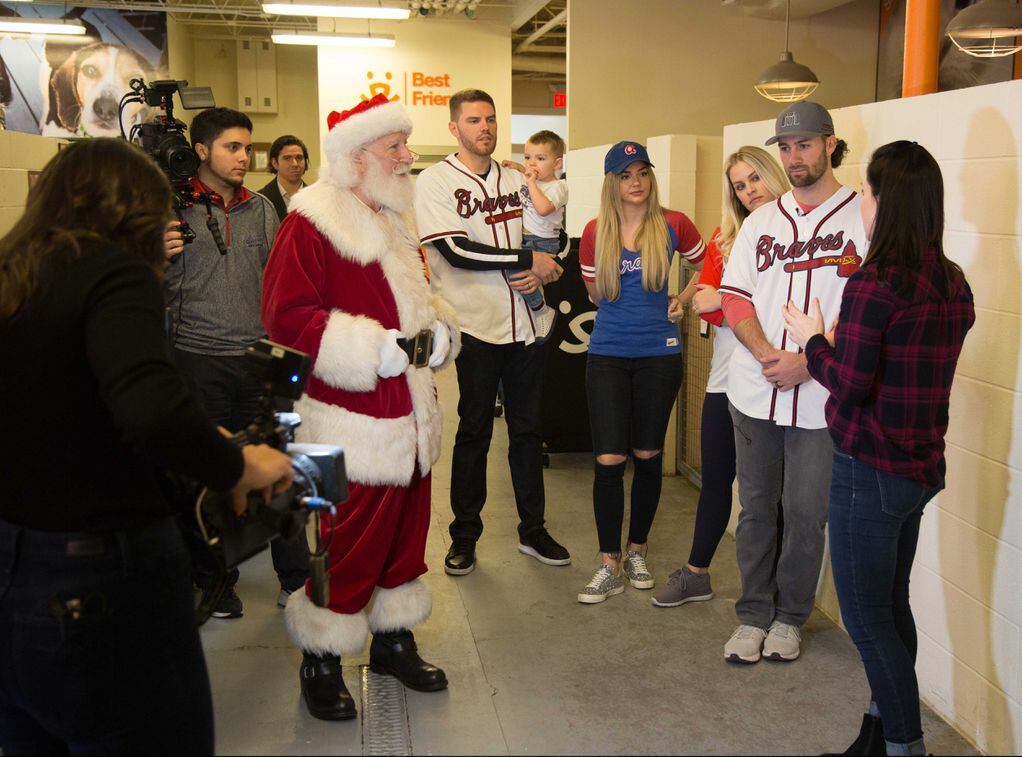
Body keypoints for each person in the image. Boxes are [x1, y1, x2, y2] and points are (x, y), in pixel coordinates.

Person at [0, 137, 293, 755]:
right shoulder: (112, 270)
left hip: (15, 566)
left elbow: (74, 403)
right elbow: (149, 407)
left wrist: (199, 432)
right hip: (101, 570)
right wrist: (238, 465)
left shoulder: (16, 273)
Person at [262, 93, 460, 722]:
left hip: (408, 416)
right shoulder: (311, 221)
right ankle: (322, 659)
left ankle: (392, 640)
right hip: (341, 421)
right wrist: (375, 349)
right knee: (337, 545)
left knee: (403, 540)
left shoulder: (394, 220)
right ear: (355, 157)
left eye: (405, 144)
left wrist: (440, 333)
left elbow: (421, 303)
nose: (407, 157)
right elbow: (286, 316)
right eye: (394, 146)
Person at [784, 141, 974, 757]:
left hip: (870, 469)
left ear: (887, 203)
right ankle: (876, 734)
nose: (860, 202)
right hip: (918, 470)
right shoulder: (952, 282)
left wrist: (812, 340)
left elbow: (849, 380)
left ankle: (903, 745)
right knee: (890, 607)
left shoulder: (874, 285)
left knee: (866, 620)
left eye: (866, 191)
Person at [717, 101, 868, 664]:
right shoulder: (760, 222)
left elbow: (869, 308)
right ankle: (753, 613)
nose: (794, 156)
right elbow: (735, 297)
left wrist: (811, 359)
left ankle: (790, 617)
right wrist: (764, 353)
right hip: (757, 390)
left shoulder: (861, 216)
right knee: (756, 509)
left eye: (804, 144)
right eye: (785, 146)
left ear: (830, 144)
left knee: (807, 512)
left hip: (823, 394)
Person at [414, 88, 570, 576]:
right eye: (474, 120)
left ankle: (533, 529)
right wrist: (528, 260)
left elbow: (552, 232)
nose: (484, 127)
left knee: (527, 430)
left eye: (491, 119)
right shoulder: (435, 181)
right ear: (454, 128)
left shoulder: (515, 175)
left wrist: (550, 263)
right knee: (476, 430)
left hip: (527, 322)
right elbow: (457, 251)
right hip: (473, 324)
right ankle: (464, 535)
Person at [164, 106, 309, 618]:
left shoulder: (262, 209)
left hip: (256, 359)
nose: (244, 157)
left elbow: (280, 282)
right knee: (210, 478)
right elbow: (149, 289)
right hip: (197, 359)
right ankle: (216, 583)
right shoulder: (171, 208)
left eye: (247, 147)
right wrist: (156, 253)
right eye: (232, 147)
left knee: (278, 469)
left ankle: (296, 578)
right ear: (201, 151)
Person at [652, 146, 790, 608]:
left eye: (756, 179)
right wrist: (724, 304)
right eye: (740, 184)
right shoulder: (724, 238)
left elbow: (725, 302)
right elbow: (705, 304)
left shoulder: (802, 234)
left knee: (773, 496)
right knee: (716, 479)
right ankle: (697, 573)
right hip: (726, 377)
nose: (750, 190)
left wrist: (726, 303)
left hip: (780, 379)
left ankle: (776, 591)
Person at [576, 140, 706, 603]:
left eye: (643, 172)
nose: (636, 182)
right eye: (626, 175)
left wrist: (683, 299)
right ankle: (609, 562)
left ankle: (637, 550)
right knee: (609, 458)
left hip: (660, 354)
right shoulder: (595, 231)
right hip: (608, 354)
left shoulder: (674, 223)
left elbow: (709, 261)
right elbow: (595, 292)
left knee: (648, 455)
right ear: (613, 182)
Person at [502, 129, 569, 313]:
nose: (532, 163)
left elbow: (543, 209)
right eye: (527, 157)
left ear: (557, 163)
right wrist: (517, 167)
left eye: (540, 159)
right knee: (515, 272)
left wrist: (530, 182)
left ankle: (540, 310)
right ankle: (534, 307)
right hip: (527, 239)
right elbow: (528, 171)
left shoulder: (558, 187)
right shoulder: (534, 178)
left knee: (519, 275)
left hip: (543, 243)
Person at [259, 134, 310, 221]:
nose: (295, 164)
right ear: (275, 163)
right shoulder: (260, 200)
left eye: (299, 158)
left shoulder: (317, 198)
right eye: (287, 158)